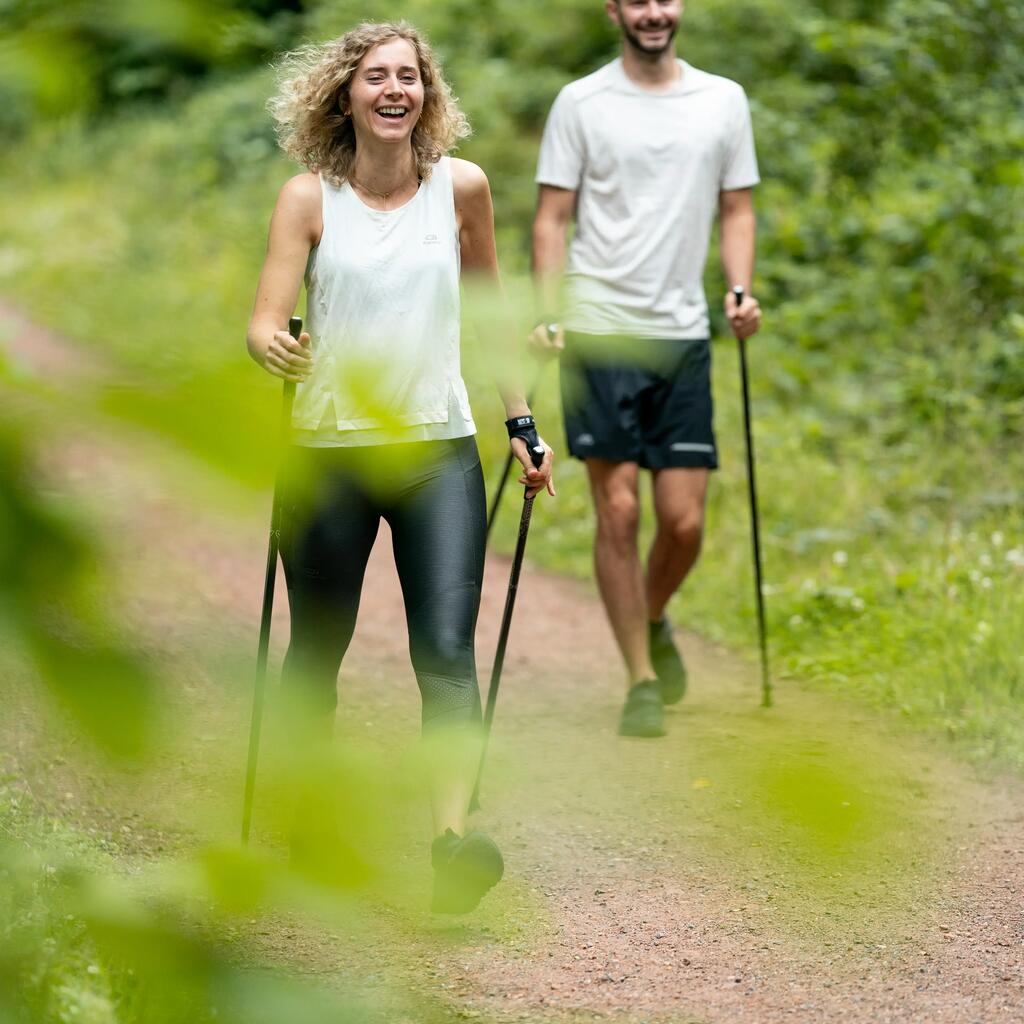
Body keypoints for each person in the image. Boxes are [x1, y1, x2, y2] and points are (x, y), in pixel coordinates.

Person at [247, 21, 554, 914]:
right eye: (375, 77)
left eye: (409, 77)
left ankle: (452, 847)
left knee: (447, 652)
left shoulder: (462, 189)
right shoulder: (307, 199)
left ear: (427, 94)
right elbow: (265, 319)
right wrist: (276, 349)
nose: (394, 91)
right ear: (343, 94)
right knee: (315, 652)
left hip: (436, 450)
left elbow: (494, 313)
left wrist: (522, 421)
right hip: (328, 451)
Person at [531, 0, 761, 738]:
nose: (654, 12)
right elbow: (551, 218)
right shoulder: (582, 102)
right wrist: (547, 307)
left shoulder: (722, 100)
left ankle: (652, 614)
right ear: (615, 10)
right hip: (601, 329)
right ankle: (640, 680)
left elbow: (737, 209)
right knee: (620, 510)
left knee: (686, 523)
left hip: (682, 332)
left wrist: (739, 287)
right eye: (639, 0)